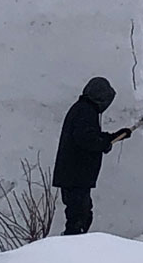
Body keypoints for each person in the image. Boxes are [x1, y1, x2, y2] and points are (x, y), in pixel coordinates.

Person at [52, 77, 132, 236]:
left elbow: (90, 135)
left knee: (81, 215)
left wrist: (112, 137)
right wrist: (103, 144)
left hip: (74, 176)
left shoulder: (82, 109)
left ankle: (73, 247)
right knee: (79, 218)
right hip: (76, 176)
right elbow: (85, 138)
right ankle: (71, 250)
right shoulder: (85, 111)